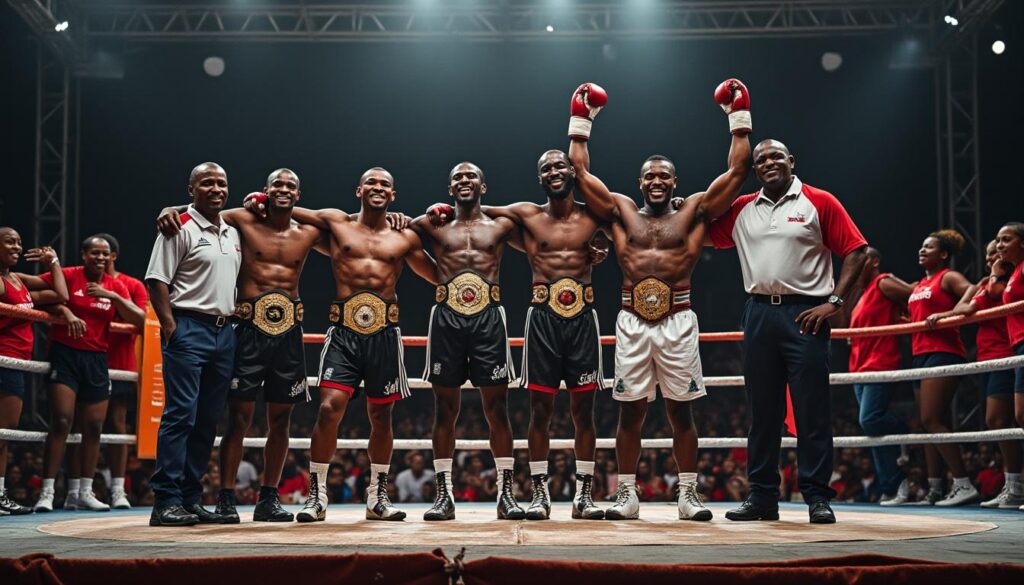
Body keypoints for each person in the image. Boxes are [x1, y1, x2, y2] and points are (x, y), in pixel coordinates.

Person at [568, 79, 752, 521]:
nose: (656, 181)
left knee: (681, 413)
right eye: (649, 176)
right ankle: (626, 495)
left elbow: (738, 172)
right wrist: (580, 121)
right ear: (639, 182)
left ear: (675, 181)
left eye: (663, 176)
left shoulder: (694, 211)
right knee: (629, 414)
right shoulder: (620, 211)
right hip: (632, 320)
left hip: (678, 318)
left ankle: (687, 495)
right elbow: (579, 173)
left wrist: (738, 118)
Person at [427, 149, 611, 520]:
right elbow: (477, 212)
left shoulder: (594, 214)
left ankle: (584, 496)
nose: (554, 172)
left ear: (573, 171)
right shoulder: (525, 215)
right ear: (539, 178)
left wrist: (604, 244)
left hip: (582, 318)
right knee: (539, 410)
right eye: (546, 168)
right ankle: (539, 493)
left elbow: (627, 221)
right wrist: (440, 208)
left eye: (559, 166)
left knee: (584, 411)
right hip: (541, 318)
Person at [245, 167, 437, 522]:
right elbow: (289, 209)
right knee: (329, 408)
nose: (377, 187)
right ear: (359, 190)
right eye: (371, 183)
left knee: (382, 415)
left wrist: (431, 218)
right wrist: (261, 198)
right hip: (343, 332)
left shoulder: (405, 236)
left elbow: (439, 275)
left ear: (393, 195)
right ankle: (317, 494)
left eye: (385, 184)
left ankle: (377, 496)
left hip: (385, 333)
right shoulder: (336, 224)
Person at [710, 139, 869, 524]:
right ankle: (763, 496)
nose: (768, 162)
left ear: (791, 161)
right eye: (760, 159)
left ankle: (817, 496)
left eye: (775, 156)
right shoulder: (742, 208)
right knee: (762, 412)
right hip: (759, 313)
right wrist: (684, 206)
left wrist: (835, 302)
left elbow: (857, 251)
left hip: (805, 313)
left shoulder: (819, 201)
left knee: (811, 409)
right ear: (753, 168)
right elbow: (698, 227)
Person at [157, 168, 324, 523]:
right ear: (265, 189)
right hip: (246, 329)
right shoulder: (241, 221)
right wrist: (169, 209)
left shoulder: (309, 232)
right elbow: (200, 209)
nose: (283, 189)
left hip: (288, 332)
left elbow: (352, 230)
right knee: (237, 417)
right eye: (276, 185)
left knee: (281, 419)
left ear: (299, 193)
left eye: (290, 186)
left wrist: (399, 219)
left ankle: (268, 498)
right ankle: (225, 498)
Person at [407, 162, 524, 521]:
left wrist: (594, 248)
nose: (464, 180)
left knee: (497, 408)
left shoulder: (500, 225)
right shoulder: (433, 224)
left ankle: (505, 494)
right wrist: (437, 276)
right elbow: (401, 232)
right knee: (445, 409)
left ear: (483, 187)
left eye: (471, 176)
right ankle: (444, 495)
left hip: (489, 317)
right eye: (457, 177)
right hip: (447, 317)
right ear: (449, 188)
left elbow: (541, 238)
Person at [145, 162, 242, 527]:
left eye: (221, 183)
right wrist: (170, 326)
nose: (216, 189)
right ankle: (165, 501)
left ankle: (190, 498)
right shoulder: (177, 226)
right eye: (207, 183)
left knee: (208, 419)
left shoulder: (231, 231)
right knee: (180, 414)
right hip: (187, 326)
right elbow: (157, 280)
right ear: (191, 190)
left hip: (224, 331)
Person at [33, 235, 146, 513]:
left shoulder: (115, 285)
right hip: (65, 354)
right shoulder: (69, 275)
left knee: (95, 426)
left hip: (97, 359)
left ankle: (85, 491)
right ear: (84, 255)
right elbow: (33, 297)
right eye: (95, 253)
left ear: (111, 257)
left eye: (105, 254)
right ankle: (47, 492)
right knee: (62, 420)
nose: (100, 258)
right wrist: (65, 311)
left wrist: (115, 297)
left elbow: (142, 320)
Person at [926, 239, 1022, 509]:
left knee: (1001, 420)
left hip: (1005, 353)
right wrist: (945, 313)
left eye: (996, 252)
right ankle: (1013, 485)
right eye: (989, 253)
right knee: (1000, 422)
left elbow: (982, 298)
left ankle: (1016, 486)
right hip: (987, 357)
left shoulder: (1007, 281)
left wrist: (995, 275)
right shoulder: (985, 283)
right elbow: (962, 308)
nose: (992, 257)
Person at [907, 229, 978, 506]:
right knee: (930, 424)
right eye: (921, 246)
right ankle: (935, 488)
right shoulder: (919, 285)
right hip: (919, 354)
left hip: (944, 352)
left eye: (929, 247)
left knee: (931, 419)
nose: (922, 250)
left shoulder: (948, 277)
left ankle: (963, 483)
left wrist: (949, 313)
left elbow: (973, 289)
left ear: (944, 254)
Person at [0, 228, 68, 515]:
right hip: (5, 360)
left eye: (19, 241)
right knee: (3, 431)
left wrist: (53, 261)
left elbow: (61, 294)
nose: (17, 246)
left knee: (4, 433)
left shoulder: (17, 279)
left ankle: (0, 494)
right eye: (9, 242)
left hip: (15, 362)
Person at [843, 247, 915, 506]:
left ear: (873, 262)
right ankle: (890, 487)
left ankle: (906, 428)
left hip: (880, 363)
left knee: (870, 419)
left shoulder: (883, 282)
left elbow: (917, 295)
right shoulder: (860, 296)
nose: (853, 266)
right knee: (872, 430)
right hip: (858, 368)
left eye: (858, 261)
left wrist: (906, 318)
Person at [995, 221, 1024, 512]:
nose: (1000, 245)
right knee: (1020, 415)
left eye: (1006, 239)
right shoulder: (1014, 272)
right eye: (998, 240)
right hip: (1018, 346)